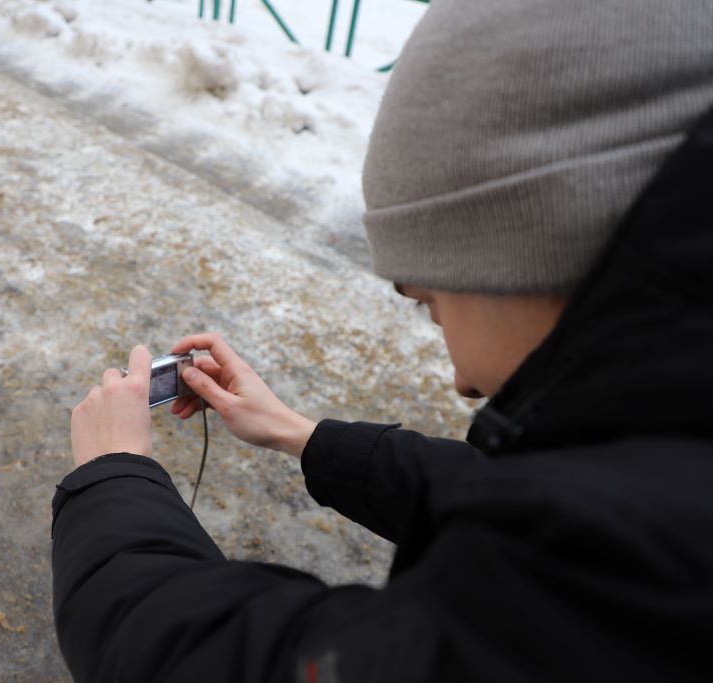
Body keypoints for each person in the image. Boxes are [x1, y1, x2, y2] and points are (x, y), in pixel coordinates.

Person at [52, 1, 713, 681]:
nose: (462, 380)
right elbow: (538, 505)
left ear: (530, 247)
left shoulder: (612, 585)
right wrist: (299, 433)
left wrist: (113, 477)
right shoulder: (666, 466)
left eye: (431, 302)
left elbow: (222, 661)